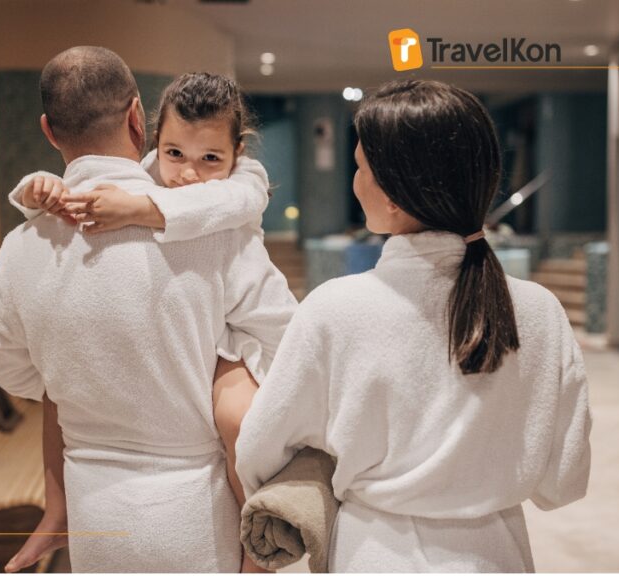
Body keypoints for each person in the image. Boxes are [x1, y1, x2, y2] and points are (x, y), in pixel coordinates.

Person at [235, 79, 592, 572]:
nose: (355, 183)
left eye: (360, 168)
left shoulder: (335, 309)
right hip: (496, 555)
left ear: (395, 194)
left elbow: (259, 449)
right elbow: (563, 479)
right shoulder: (538, 310)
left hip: (373, 554)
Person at [0, 46, 296, 572]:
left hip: (94, 522)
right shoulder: (219, 236)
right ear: (139, 119)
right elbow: (290, 340)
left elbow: (21, 378)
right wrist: (232, 362)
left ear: (48, 130)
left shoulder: (18, 250)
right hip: (195, 520)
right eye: (177, 154)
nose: (190, 174)